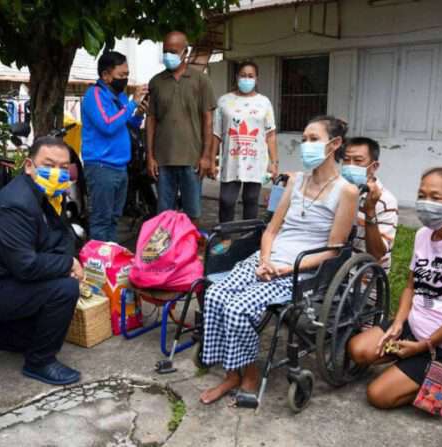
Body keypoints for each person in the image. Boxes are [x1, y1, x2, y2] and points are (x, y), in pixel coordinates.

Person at [199, 116, 359, 404]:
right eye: (304, 139)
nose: (306, 145)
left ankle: (249, 374)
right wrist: (264, 260)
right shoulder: (295, 181)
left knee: (237, 308)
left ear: (334, 144)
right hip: (268, 260)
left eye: (314, 139)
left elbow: (334, 250)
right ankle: (232, 374)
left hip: (301, 271)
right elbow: (271, 230)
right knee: (215, 296)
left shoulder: (346, 191)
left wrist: (286, 269)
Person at [348, 167, 442, 409]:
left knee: (379, 396)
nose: (426, 202)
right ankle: (418, 371)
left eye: (435, 197)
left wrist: (424, 346)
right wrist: (398, 323)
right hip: (414, 330)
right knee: (358, 350)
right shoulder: (424, 234)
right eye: (421, 195)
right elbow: (410, 287)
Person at [0, 136, 83, 386]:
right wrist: (68, 265)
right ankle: (40, 362)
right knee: (65, 289)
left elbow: (62, 236)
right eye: (48, 165)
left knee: (34, 329)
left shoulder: (49, 194)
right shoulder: (16, 204)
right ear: (29, 166)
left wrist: (68, 260)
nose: (57, 173)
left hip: (7, 277)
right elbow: (26, 266)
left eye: (63, 167)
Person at [146, 30, 216, 223]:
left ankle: (190, 242)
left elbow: (208, 120)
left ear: (185, 52)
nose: (168, 55)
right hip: (163, 159)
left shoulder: (201, 80)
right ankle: (167, 244)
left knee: (192, 213)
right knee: (163, 215)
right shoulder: (156, 82)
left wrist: (206, 156)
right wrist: (150, 156)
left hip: (192, 159)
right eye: (165, 51)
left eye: (173, 51)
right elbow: (151, 120)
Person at [81, 51, 148, 242]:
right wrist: (132, 105)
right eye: (121, 75)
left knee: (114, 219)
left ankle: (109, 254)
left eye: (127, 74)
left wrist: (138, 114)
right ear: (105, 75)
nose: (125, 79)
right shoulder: (94, 95)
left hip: (120, 167)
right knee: (101, 220)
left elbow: (125, 125)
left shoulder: (120, 97)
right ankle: (98, 258)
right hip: (102, 167)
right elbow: (108, 125)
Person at [212, 61, 278, 253]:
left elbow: (271, 133)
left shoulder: (264, 102)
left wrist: (274, 162)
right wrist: (212, 159)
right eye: (243, 75)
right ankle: (225, 239)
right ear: (236, 77)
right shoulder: (224, 101)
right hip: (231, 160)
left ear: (256, 79)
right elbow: (216, 133)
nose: (246, 79)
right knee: (226, 200)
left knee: (251, 200)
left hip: (256, 160)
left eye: (250, 76)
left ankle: (247, 241)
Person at [341, 137, 398, 271]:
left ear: (374, 166)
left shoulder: (385, 200)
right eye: (346, 160)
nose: (350, 165)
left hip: (364, 275)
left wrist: (370, 212)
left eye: (358, 161)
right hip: (336, 269)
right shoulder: (339, 191)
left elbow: (377, 254)